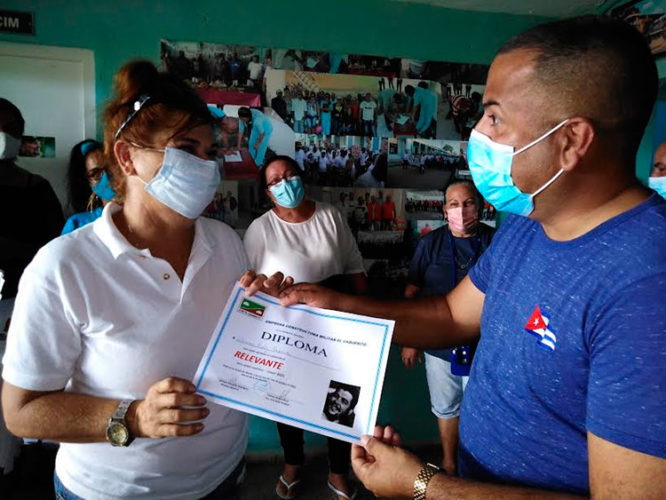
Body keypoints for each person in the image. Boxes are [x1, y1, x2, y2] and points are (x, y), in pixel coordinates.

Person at [279, 16, 666, 498]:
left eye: (495, 117)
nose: (478, 132)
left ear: (571, 141)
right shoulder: (525, 224)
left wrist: (422, 484)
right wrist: (333, 304)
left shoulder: (648, 288)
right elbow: (450, 313)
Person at [1, 60, 269, 499]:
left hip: (223, 476)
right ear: (127, 157)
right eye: (186, 148)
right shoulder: (63, 267)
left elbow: (233, 336)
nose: (206, 167)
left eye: (210, 152)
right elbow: (22, 412)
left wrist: (265, 308)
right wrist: (134, 417)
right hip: (114, 491)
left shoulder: (225, 241)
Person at [243, 155, 367, 500]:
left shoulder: (330, 216)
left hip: (337, 324)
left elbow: (355, 266)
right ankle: (293, 462)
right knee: (288, 398)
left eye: (290, 175)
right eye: (275, 180)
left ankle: (339, 471)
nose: (285, 184)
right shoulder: (260, 229)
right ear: (268, 192)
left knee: (341, 399)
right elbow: (248, 287)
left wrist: (367, 319)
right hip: (286, 329)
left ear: (302, 178)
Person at [401, 181, 495, 475]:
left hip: (485, 347)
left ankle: (477, 468)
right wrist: (411, 339)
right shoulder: (430, 244)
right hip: (439, 345)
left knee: (480, 409)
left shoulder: (496, 242)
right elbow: (412, 292)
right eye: (454, 204)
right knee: (445, 407)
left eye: (468, 203)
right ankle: (450, 462)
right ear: (444, 211)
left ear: (480, 207)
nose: (462, 210)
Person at [0, 98, 64, 301]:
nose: (3, 135)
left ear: (19, 137)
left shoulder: (37, 187)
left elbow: (57, 248)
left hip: (24, 294)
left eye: (10, 129)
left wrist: (13, 248)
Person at [61, 139, 115, 235]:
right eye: (95, 173)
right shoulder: (77, 224)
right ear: (87, 182)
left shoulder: (139, 216)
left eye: (109, 168)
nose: (106, 176)